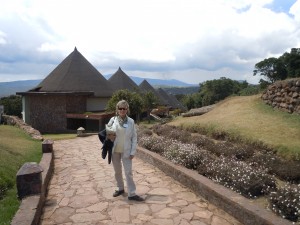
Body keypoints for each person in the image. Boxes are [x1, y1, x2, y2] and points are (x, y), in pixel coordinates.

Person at [106, 100, 144, 201]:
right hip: (115, 150)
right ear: (117, 109)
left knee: (128, 172)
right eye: (120, 108)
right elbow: (107, 131)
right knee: (117, 171)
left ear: (127, 109)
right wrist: (109, 135)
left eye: (124, 108)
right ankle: (120, 188)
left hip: (126, 151)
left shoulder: (131, 121)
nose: (122, 110)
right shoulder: (113, 120)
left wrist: (133, 152)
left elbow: (134, 138)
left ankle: (131, 193)